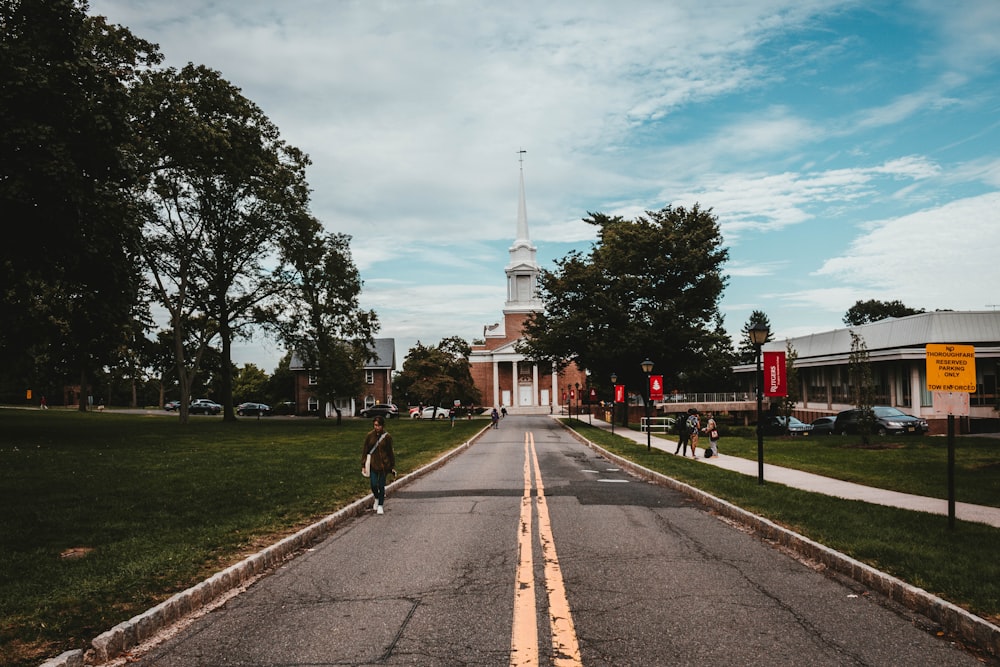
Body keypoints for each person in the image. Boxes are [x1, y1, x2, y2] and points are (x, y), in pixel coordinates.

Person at [361, 416, 396, 515]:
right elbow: (365, 450)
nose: (377, 427)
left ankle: (380, 505)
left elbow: (390, 452)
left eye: (378, 425)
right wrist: (363, 464)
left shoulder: (387, 437)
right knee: (373, 484)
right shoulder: (369, 436)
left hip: (384, 465)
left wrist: (392, 465)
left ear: (382, 426)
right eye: (375, 425)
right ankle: (376, 497)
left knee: (381, 485)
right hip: (373, 464)